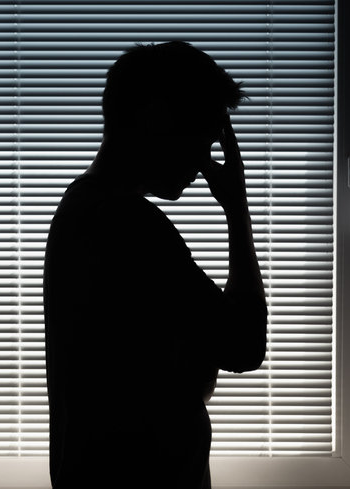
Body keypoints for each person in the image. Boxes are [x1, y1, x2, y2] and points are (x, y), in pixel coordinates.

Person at [43, 42, 267, 488]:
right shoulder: (128, 225)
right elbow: (244, 345)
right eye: (201, 137)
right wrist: (237, 210)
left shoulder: (84, 209)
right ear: (157, 119)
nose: (205, 162)